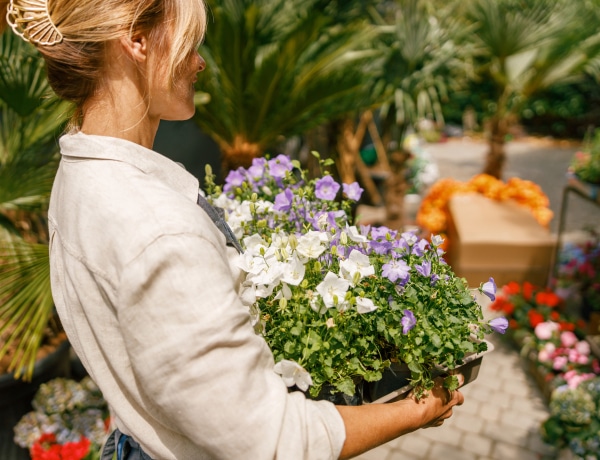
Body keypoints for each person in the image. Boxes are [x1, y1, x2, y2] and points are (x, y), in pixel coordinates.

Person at [6, 0, 465, 458]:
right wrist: (420, 409)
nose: (198, 61)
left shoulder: (80, 170)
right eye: (188, 43)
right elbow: (274, 442)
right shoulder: (158, 228)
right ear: (137, 41)